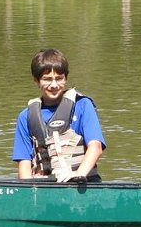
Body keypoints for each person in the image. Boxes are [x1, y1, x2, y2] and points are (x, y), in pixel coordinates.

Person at [12, 48, 106, 182]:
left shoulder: (82, 106)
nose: (54, 85)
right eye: (47, 79)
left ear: (65, 78)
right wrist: (30, 187)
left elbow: (95, 147)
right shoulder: (25, 116)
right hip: (45, 185)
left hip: (82, 183)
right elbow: (24, 166)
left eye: (59, 78)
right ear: (36, 81)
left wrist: (78, 175)